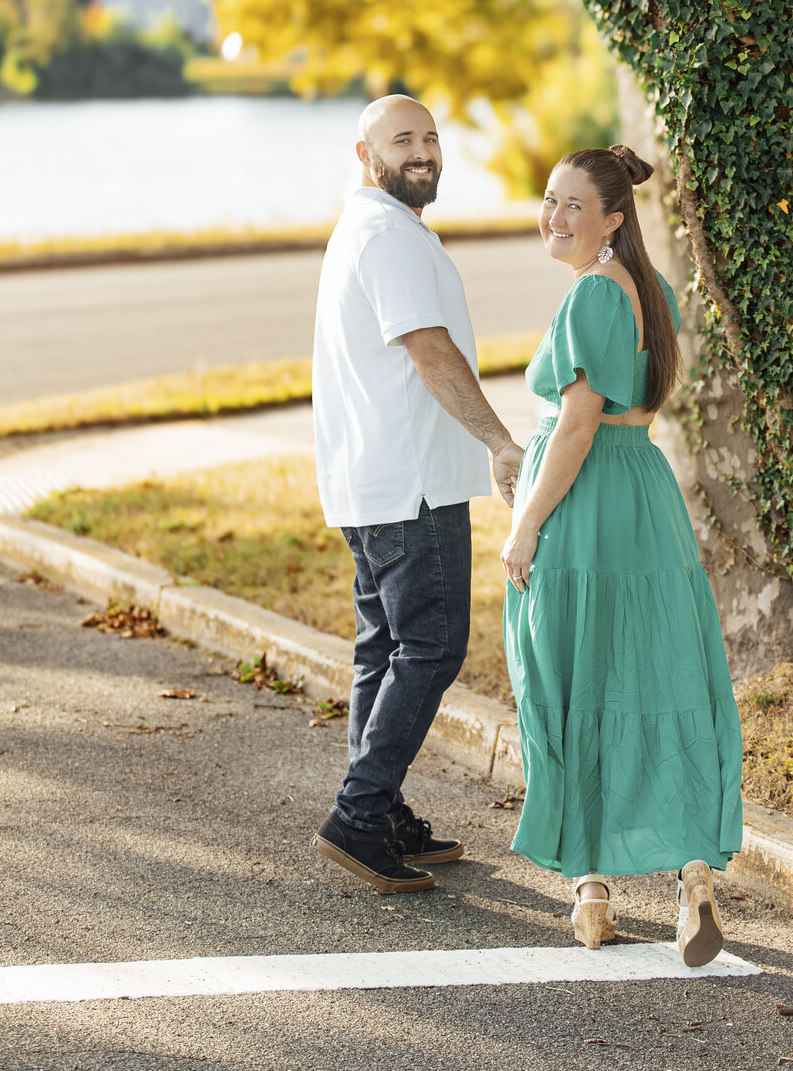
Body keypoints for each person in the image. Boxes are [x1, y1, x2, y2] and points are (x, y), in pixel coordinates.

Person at [501, 144, 743, 965]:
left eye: (574, 205)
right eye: (549, 199)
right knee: (651, 674)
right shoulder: (652, 289)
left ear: (613, 217)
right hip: (644, 493)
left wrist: (527, 521)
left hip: (589, 503)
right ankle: (690, 874)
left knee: (574, 675)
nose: (555, 217)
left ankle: (593, 887)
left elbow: (575, 426)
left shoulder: (589, 300)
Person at [311, 94, 524, 895]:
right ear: (366, 154)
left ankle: (382, 808)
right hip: (413, 486)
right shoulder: (386, 237)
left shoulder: (369, 229)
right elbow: (429, 352)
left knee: (385, 648)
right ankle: (359, 816)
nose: (423, 151)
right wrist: (500, 441)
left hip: (372, 485)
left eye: (431, 137)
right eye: (403, 139)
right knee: (430, 648)